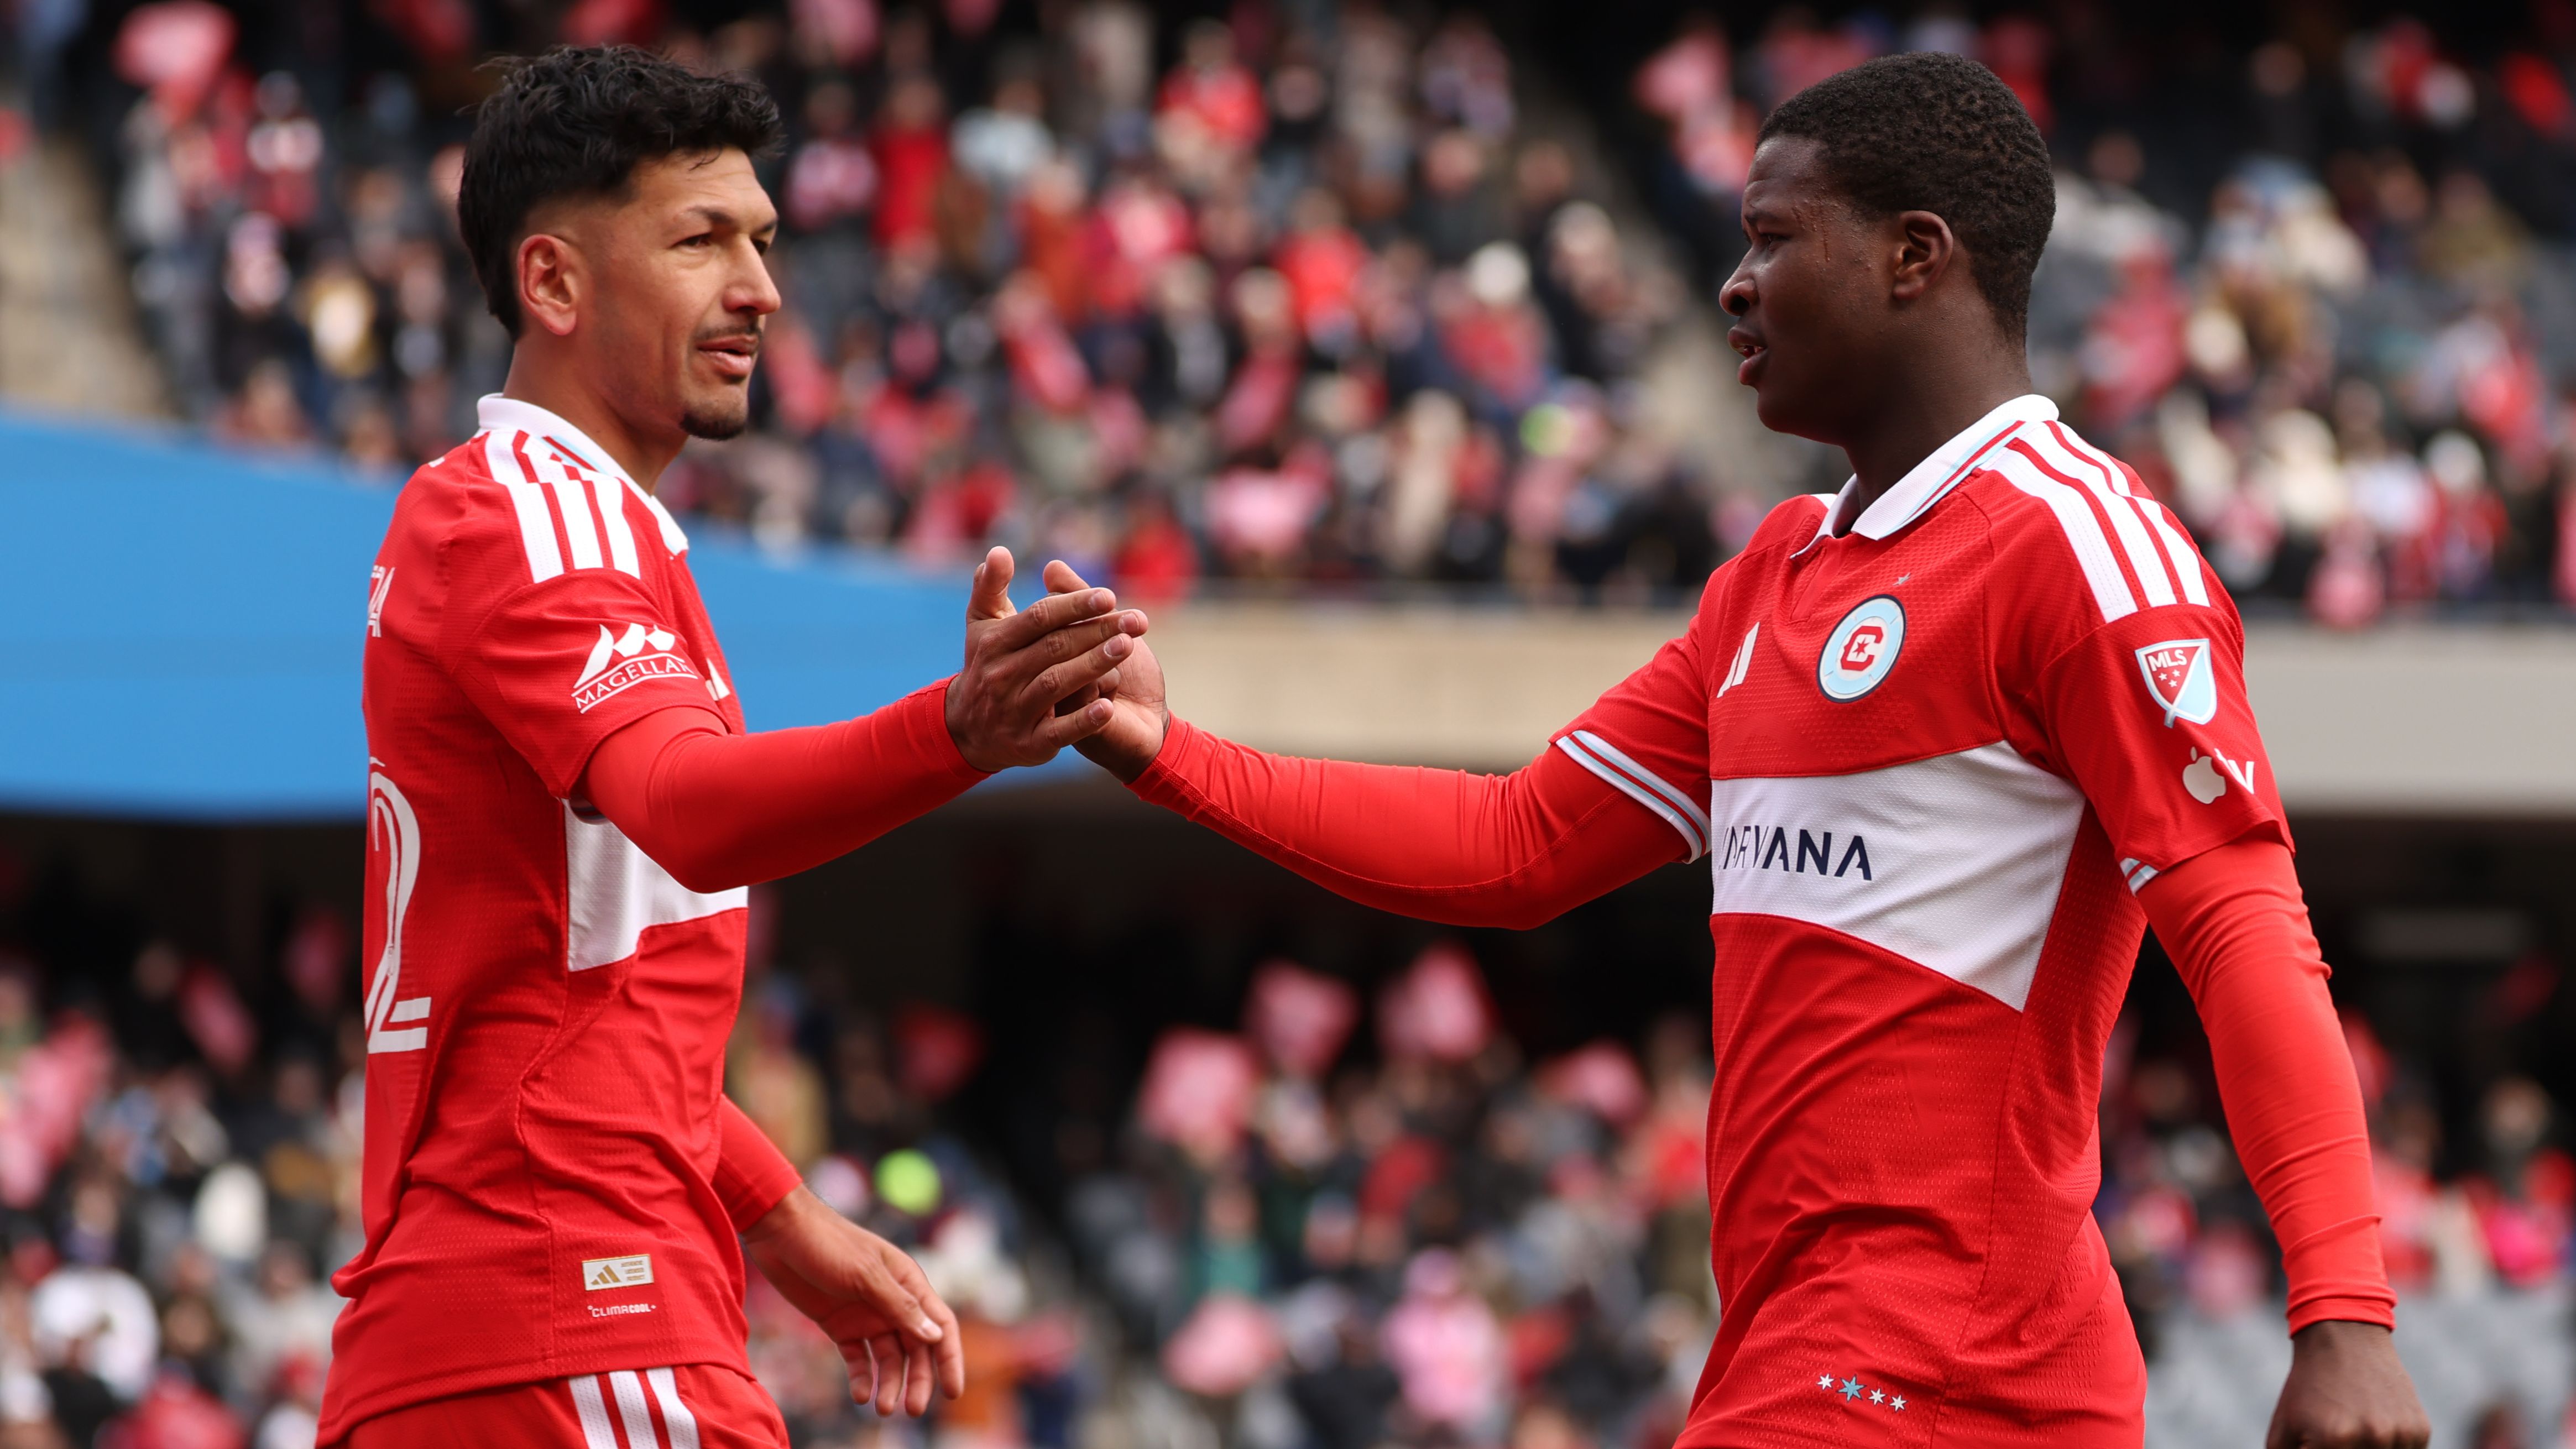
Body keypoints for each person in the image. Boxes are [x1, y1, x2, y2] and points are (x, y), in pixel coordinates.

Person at [1054, 53, 2429, 1449]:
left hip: (1927, 1366)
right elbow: (1513, 844)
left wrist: (2345, 1319)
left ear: (1914, 257)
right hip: (1817, 1356)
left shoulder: (2077, 550)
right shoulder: (1771, 577)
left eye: (1773, 236)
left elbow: (2245, 934)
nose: (1732, 280)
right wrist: (1166, 750)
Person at [325, 48, 1145, 1448]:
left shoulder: (552, 527)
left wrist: (778, 1214)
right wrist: (960, 730)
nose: (761, 289)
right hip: (575, 1314)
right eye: (700, 240)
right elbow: (691, 812)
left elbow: (595, 992)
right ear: (554, 285)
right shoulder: (544, 520)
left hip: (500, 1330)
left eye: (762, 241)